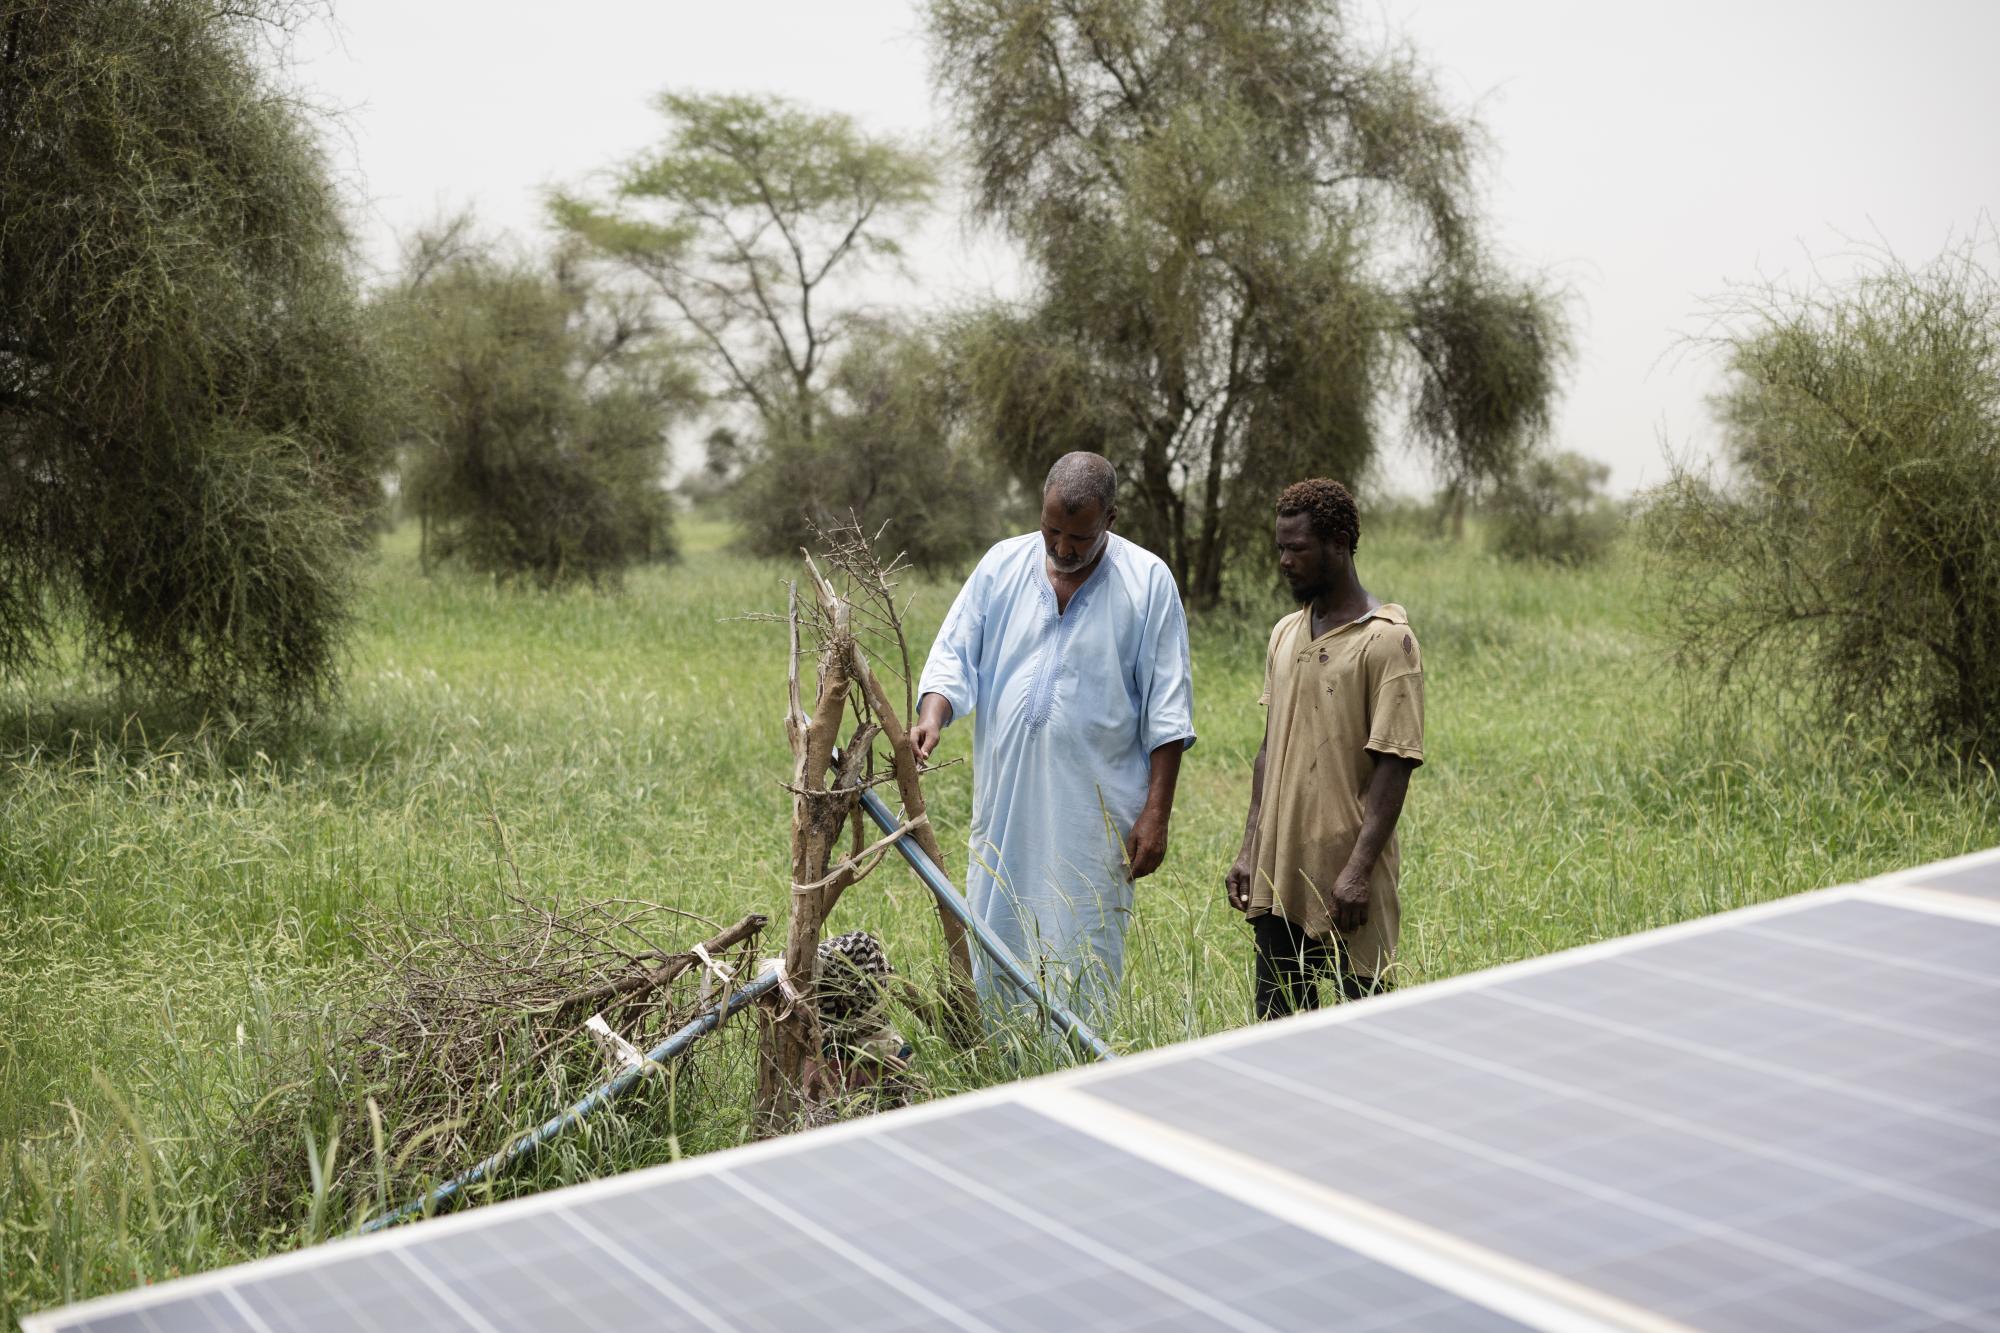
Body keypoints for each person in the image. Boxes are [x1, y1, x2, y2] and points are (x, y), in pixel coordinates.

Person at [910, 451, 1195, 1031]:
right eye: (1052, 532)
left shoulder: (1148, 582)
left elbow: (1168, 708)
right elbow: (955, 652)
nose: (1063, 548)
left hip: (1095, 813)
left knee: (1080, 936)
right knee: (994, 920)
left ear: (1110, 518)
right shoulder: (1002, 565)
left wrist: (1156, 814)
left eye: (1080, 536)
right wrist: (933, 714)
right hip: (1008, 802)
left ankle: (1073, 1061)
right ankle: (992, 1057)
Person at [1225, 478, 1423, 1019]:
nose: (1285, 562)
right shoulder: (1286, 632)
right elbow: (1269, 750)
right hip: (1279, 871)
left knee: (1364, 1029)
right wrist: (1249, 849)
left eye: (1298, 548)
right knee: (1279, 1028)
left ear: (1339, 542)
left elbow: (1395, 762)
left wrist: (1358, 871)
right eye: (1280, 549)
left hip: (1346, 882)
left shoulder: (1386, 641)